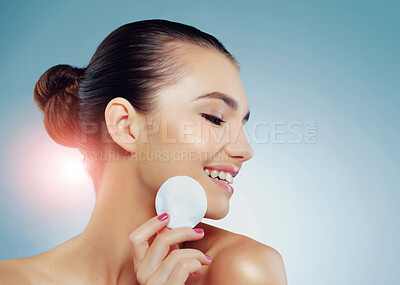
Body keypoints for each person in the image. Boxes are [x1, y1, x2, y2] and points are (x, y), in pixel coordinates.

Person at [0, 19, 287, 284]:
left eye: (243, 126)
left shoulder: (238, 268)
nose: (245, 150)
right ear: (125, 126)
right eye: (215, 118)